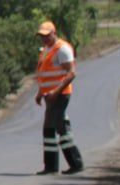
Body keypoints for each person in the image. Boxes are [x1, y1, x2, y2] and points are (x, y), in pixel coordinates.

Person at [34, 20, 84, 175]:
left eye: (46, 35)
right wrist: (40, 93)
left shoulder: (62, 49)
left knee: (53, 128)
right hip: (50, 96)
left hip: (60, 95)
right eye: (41, 36)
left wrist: (55, 92)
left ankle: (69, 164)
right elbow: (44, 75)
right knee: (56, 127)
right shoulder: (46, 50)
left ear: (54, 33)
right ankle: (57, 165)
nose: (44, 38)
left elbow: (71, 73)